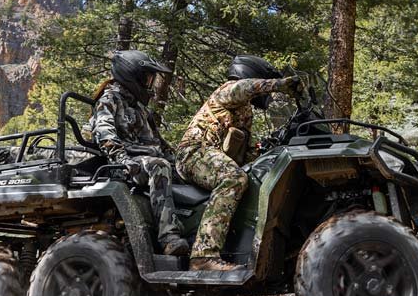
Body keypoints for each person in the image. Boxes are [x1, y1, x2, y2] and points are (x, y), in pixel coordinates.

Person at [176, 55, 301, 271]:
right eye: (263, 86)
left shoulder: (245, 111)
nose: (268, 96)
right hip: (194, 152)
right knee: (233, 178)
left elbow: (247, 152)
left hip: (212, 157)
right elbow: (245, 88)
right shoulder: (228, 90)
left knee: (254, 177)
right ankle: (203, 256)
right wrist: (279, 85)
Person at [88, 50, 190, 258]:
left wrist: (181, 160)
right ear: (131, 75)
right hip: (124, 163)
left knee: (184, 170)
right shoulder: (109, 99)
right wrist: (123, 160)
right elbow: (104, 133)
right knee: (158, 166)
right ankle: (168, 237)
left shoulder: (140, 108)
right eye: (147, 77)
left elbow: (158, 142)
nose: (150, 83)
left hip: (143, 159)